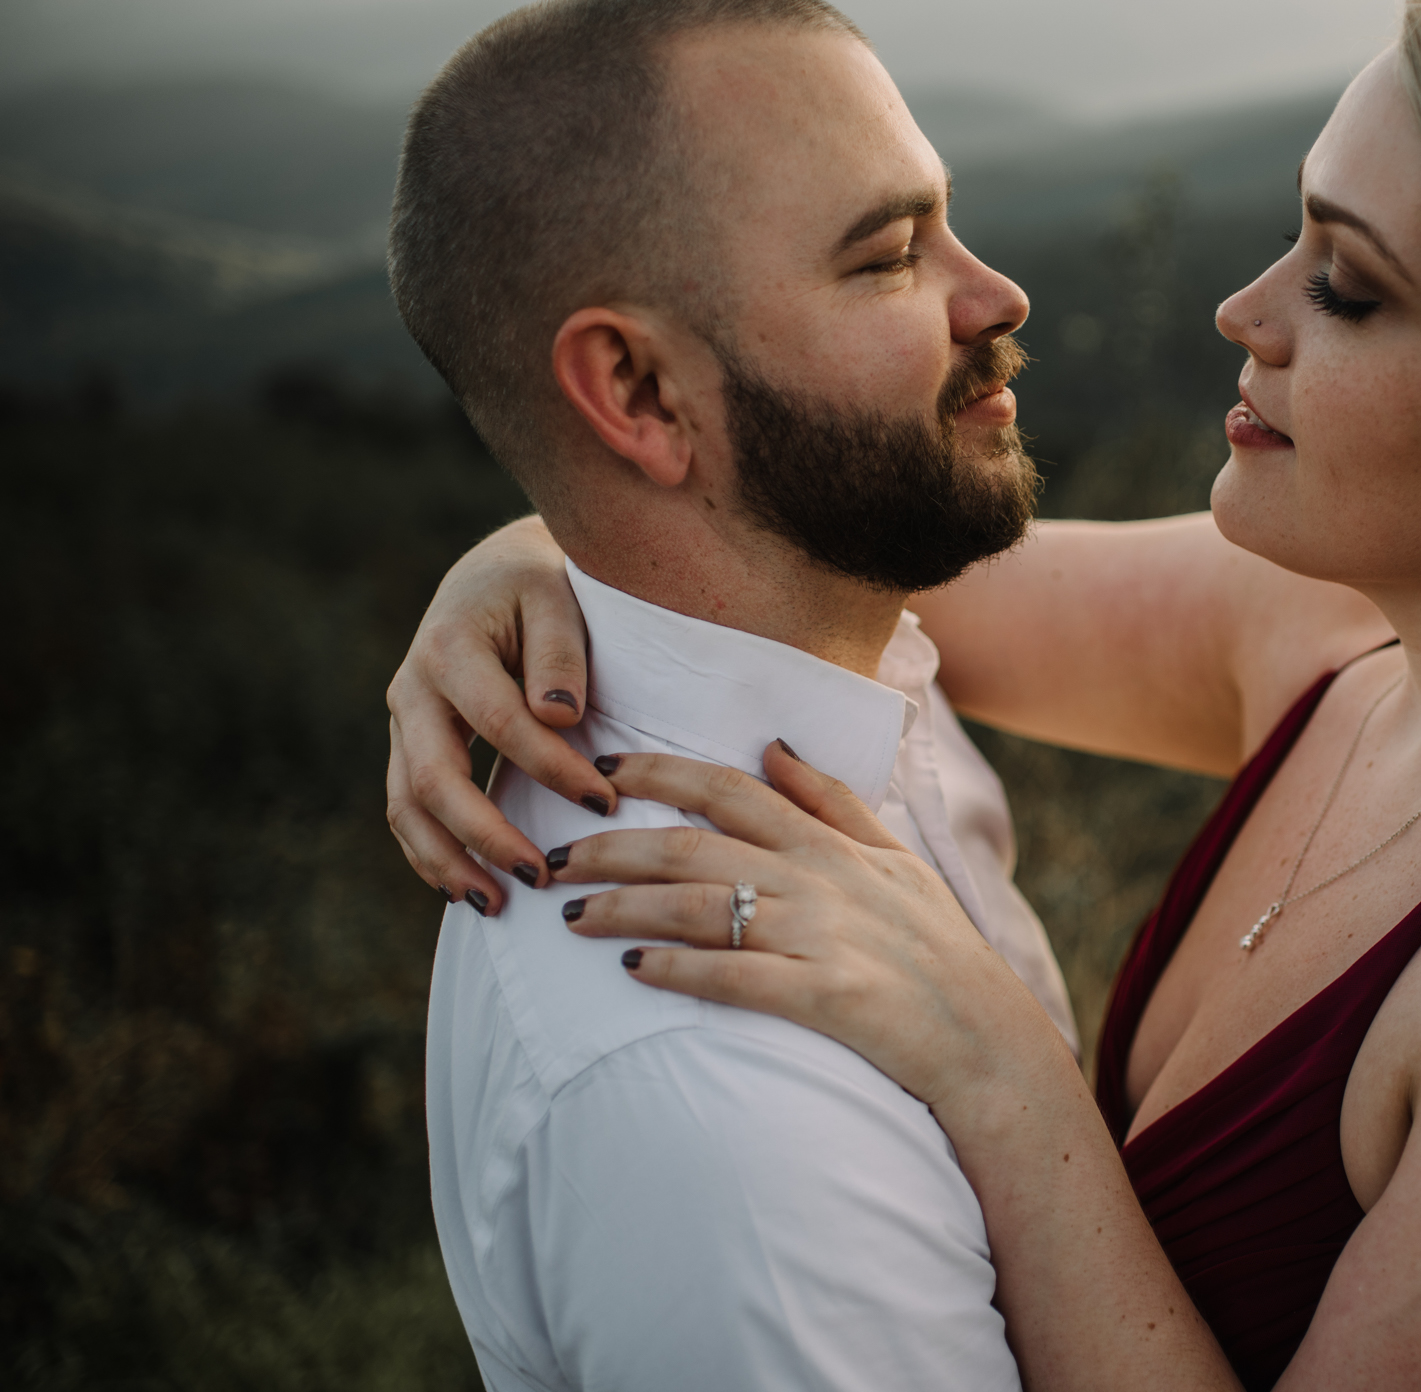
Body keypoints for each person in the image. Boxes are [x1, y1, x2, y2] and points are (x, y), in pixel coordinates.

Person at [388, 0, 1421, 1386]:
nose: (1242, 314)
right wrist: (532, 556)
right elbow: (800, 542)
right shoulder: (1330, 634)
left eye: (1348, 286)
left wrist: (999, 1076)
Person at [388, 1, 1080, 1387]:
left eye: (946, 221)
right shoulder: (726, 1112)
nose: (994, 295)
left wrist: (541, 540)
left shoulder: (854, 652)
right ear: (636, 389)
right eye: (889, 255)